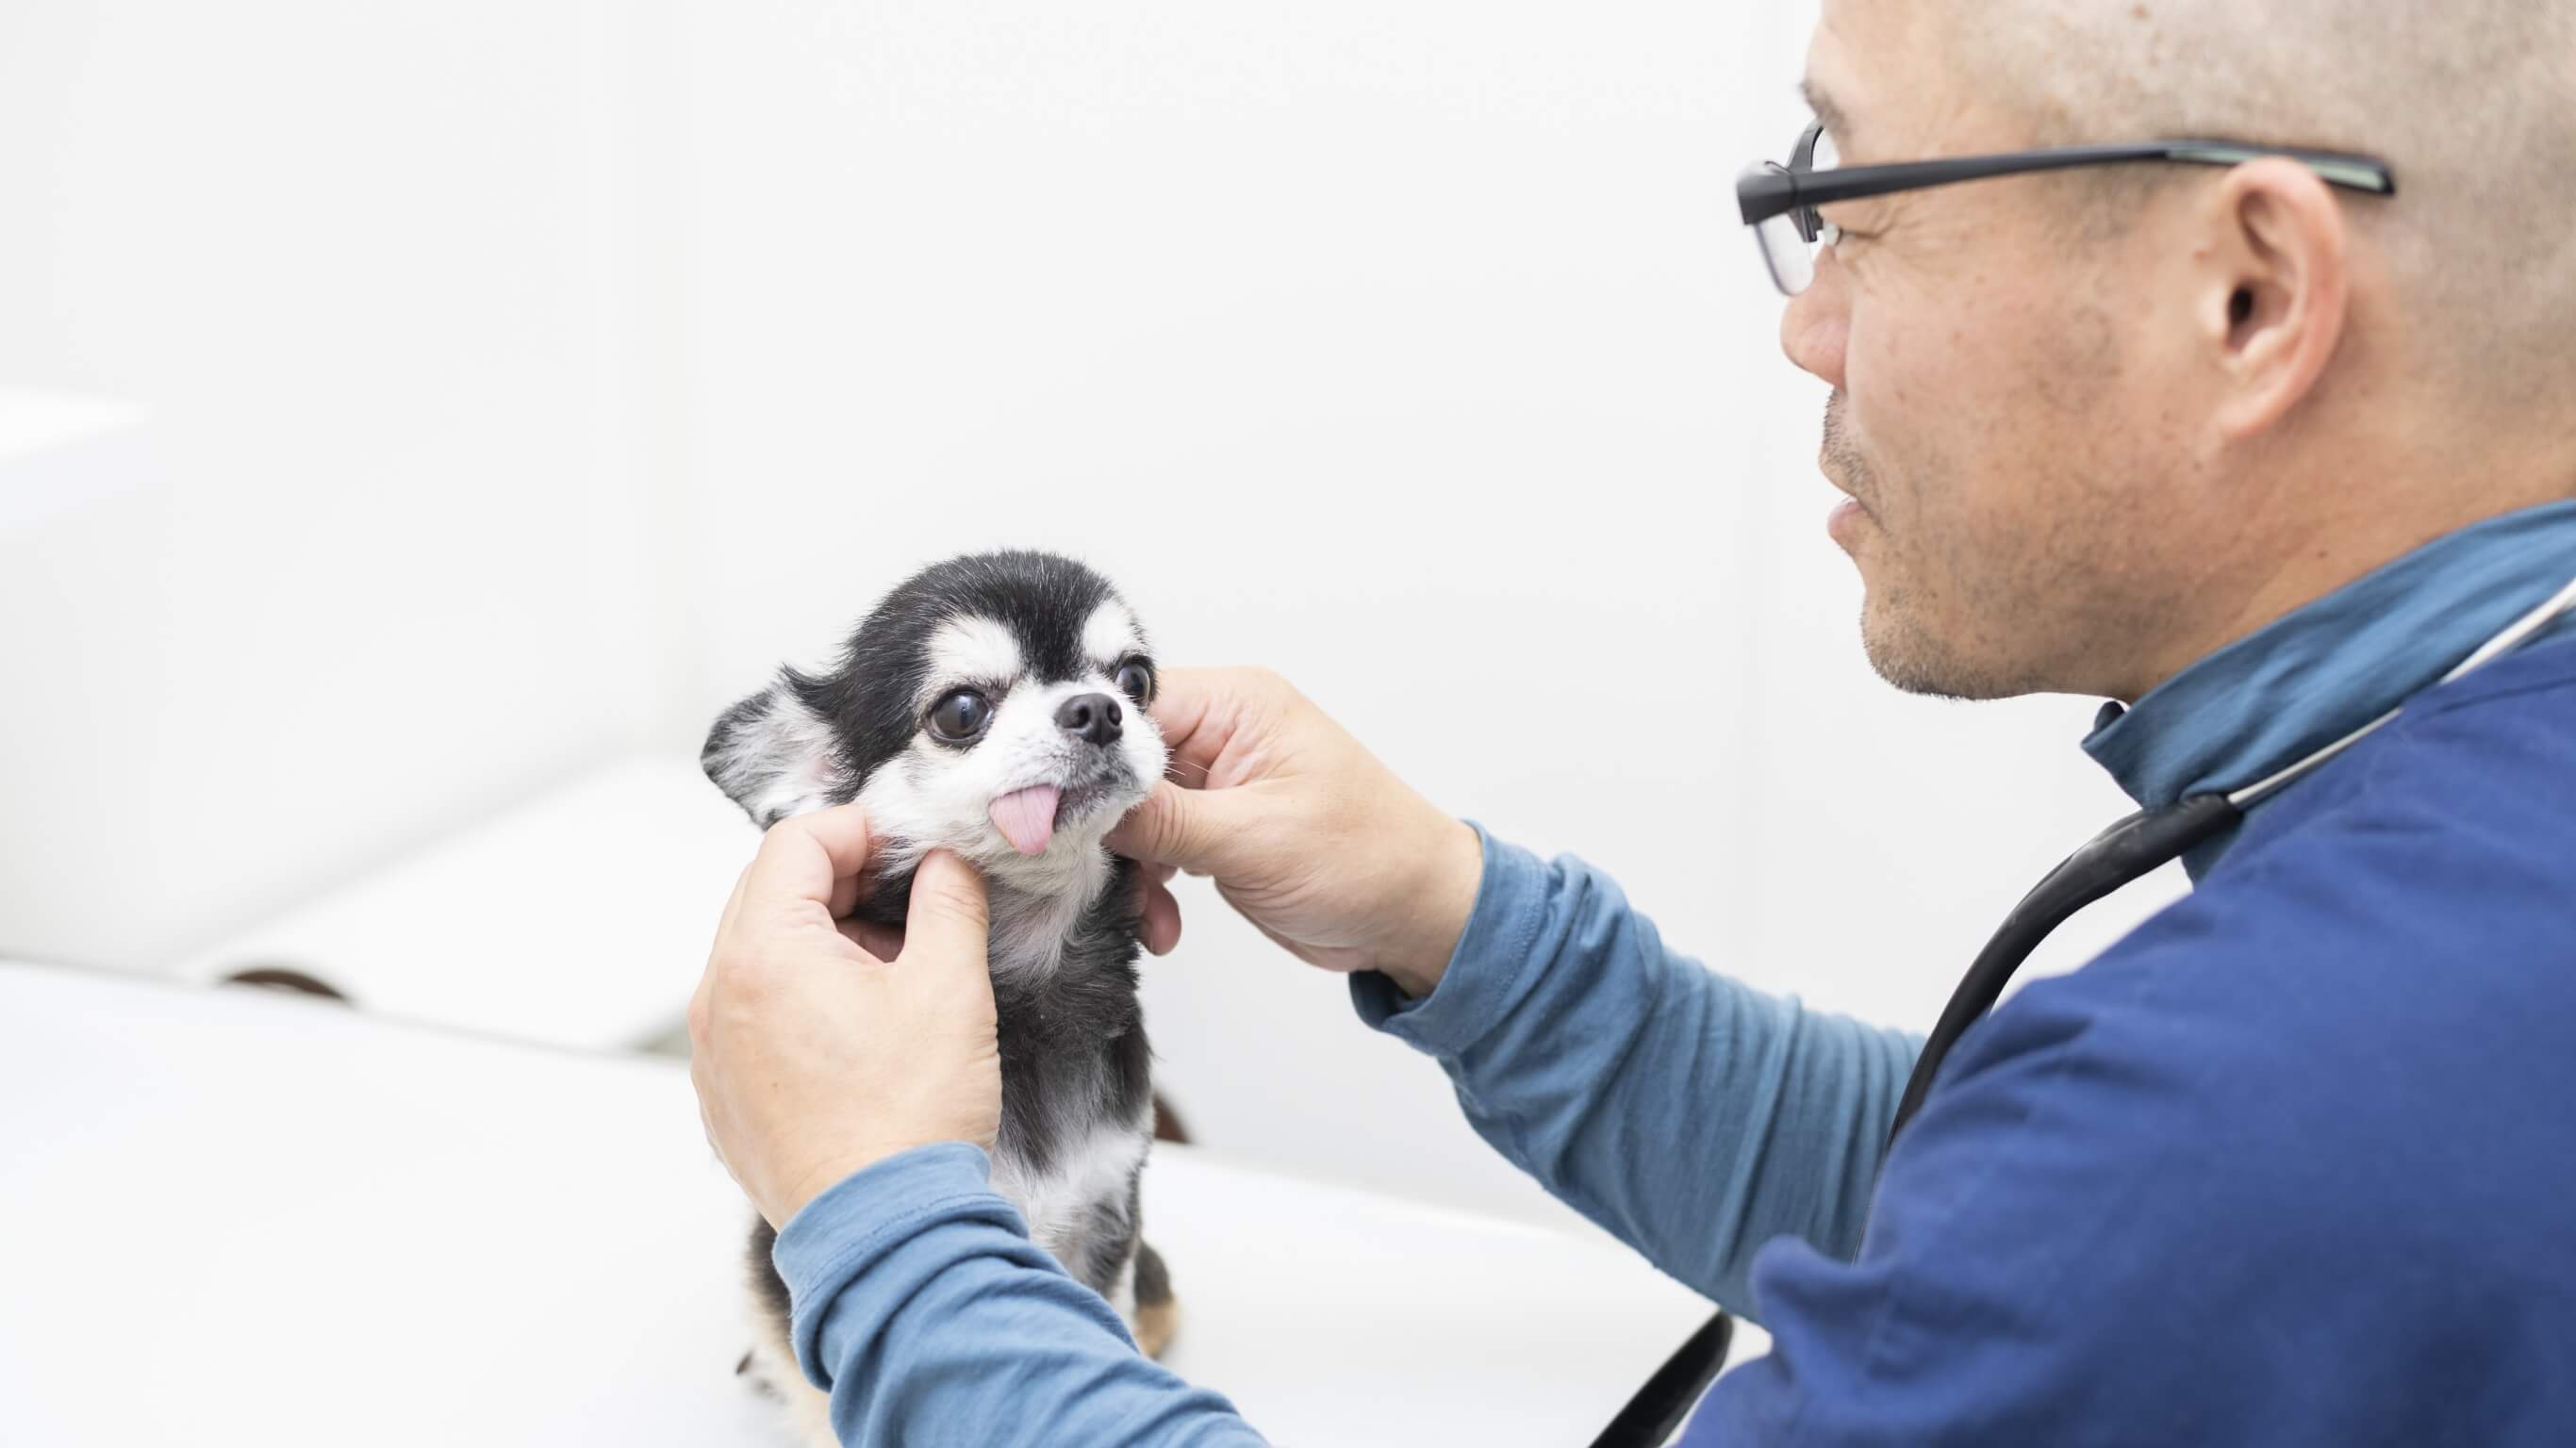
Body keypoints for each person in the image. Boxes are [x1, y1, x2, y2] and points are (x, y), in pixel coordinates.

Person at [687, 0, 2576, 1440]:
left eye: (1848, 207)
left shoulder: (2289, 1103)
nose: (1803, 326)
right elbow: (2018, 1239)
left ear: (2245, 296)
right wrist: (1457, 924)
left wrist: (877, 1220)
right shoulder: (2462, 847)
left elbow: (2141, 1214)